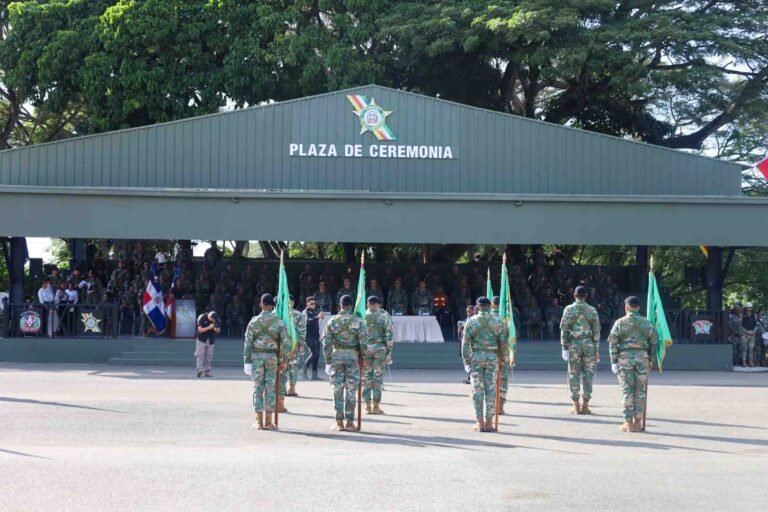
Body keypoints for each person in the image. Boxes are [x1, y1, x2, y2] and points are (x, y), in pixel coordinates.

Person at [607, 296, 658, 433]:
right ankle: (638, 422)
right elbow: (654, 341)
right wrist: (651, 358)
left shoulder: (619, 322)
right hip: (642, 358)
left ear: (626, 307)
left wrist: (614, 361)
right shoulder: (647, 323)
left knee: (627, 391)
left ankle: (628, 423)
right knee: (640, 391)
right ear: (639, 307)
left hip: (625, 358)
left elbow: (612, 343)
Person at [461, 297, 509, 432]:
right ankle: (489, 422)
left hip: (476, 357)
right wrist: (504, 359)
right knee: (491, 389)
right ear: (489, 307)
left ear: (478, 307)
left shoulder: (471, 322)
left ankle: (479, 422)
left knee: (477, 390)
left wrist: (466, 361)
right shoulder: (498, 322)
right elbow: (504, 343)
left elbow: (465, 343)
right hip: (493, 357)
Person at [243, 294, 289, 431]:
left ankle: (258, 421)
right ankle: (269, 421)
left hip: (257, 357)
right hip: (272, 358)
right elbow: (285, 343)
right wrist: (284, 360)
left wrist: (246, 361)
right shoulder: (279, 322)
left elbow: (248, 342)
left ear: (261, 305)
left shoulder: (254, 321)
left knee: (258, 387)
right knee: (270, 387)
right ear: (273, 306)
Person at [322, 295, 368, 432]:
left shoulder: (332, 322)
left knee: (338, 389)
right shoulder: (359, 322)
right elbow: (363, 343)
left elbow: (326, 343)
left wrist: (328, 361)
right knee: (351, 390)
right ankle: (350, 422)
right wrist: (363, 358)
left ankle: (339, 422)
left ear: (339, 305)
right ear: (351, 306)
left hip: (337, 357)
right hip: (353, 357)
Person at [560, 286, 601, 415]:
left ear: (574, 295)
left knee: (574, 373)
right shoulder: (592, 310)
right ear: (586, 296)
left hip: (574, 344)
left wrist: (564, 347)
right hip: (589, 344)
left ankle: (576, 405)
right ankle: (586, 405)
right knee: (588, 374)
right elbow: (596, 331)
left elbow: (564, 330)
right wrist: (597, 349)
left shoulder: (569, 309)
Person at [363, 296, 394, 415]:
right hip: (380, 349)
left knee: (366, 377)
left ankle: (367, 406)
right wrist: (389, 352)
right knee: (377, 378)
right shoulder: (384, 316)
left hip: (366, 349)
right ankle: (376, 406)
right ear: (378, 304)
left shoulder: (362, 315)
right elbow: (389, 335)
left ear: (368, 304)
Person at [280, 296, 307, 407]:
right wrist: (301, 344)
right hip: (292, 344)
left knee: (284, 366)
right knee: (292, 366)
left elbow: (301, 330)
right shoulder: (298, 314)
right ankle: (291, 387)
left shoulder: (280, 314)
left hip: (283, 344)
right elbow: (302, 331)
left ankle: (285, 388)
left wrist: (301, 344)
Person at [303, 296, 324, 380]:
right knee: (314, 354)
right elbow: (308, 322)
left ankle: (314, 374)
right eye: (311, 303)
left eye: (314, 303)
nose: (313, 305)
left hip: (315, 336)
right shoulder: (305, 312)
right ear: (307, 304)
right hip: (309, 336)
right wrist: (317, 317)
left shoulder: (314, 312)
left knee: (317, 355)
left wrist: (319, 317)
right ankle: (304, 371)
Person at [195, 311, 220, 378]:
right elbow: (200, 330)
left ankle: (207, 371)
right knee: (200, 355)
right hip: (202, 339)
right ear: (209, 316)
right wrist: (209, 327)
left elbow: (218, 330)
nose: (213, 320)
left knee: (209, 356)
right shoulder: (202, 317)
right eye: (212, 319)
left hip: (210, 339)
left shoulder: (216, 319)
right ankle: (199, 370)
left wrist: (215, 329)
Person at [457, 304, 475, 384]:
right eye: (467, 311)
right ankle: (469, 378)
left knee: (471, 361)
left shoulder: (474, 320)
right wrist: (460, 330)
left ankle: (471, 378)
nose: (468, 313)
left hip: (471, 343)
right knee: (467, 361)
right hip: (464, 341)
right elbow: (463, 332)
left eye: (470, 311)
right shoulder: (466, 319)